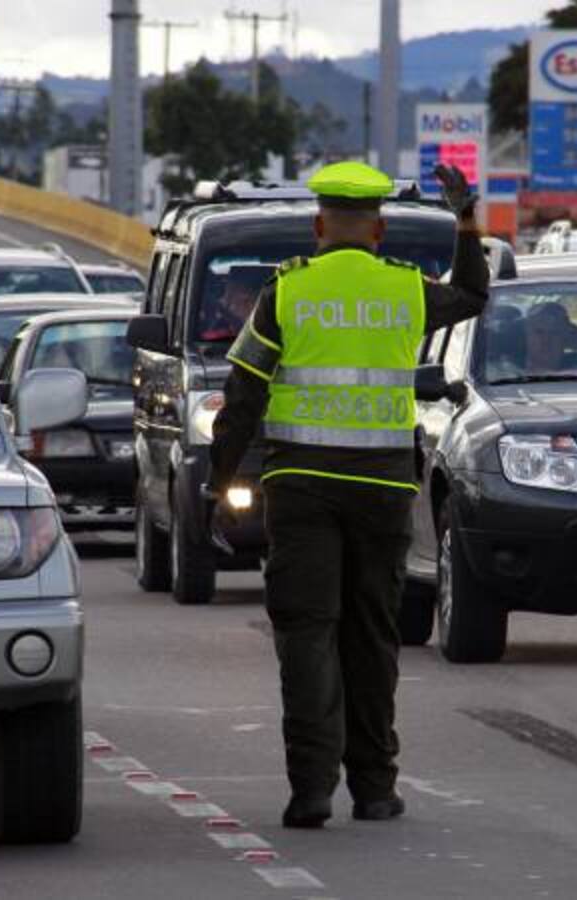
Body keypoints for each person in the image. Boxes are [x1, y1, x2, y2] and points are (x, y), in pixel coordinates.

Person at [205, 161, 490, 829]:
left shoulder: (287, 291)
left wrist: (221, 481)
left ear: (318, 225)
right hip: (382, 489)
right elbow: (473, 294)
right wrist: (465, 221)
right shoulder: (406, 291)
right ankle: (374, 788)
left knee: (307, 634)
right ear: (379, 231)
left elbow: (243, 393)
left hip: (300, 489)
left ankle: (310, 791)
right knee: (372, 635)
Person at [200, 266, 268, 341]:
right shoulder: (218, 334)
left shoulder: (217, 336)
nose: (225, 301)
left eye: (230, 296)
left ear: (245, 295)